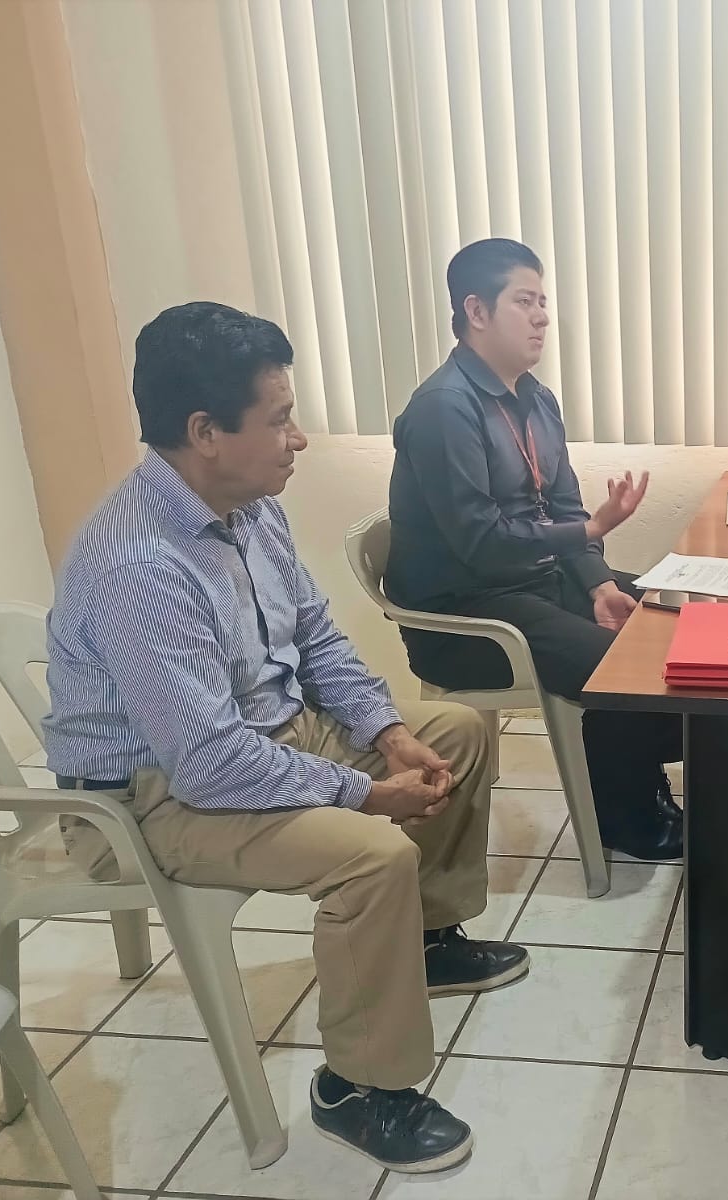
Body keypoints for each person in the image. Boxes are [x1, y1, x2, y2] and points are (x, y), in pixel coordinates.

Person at [43, 302, 523, 1173]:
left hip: (257, 733)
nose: (297, 438)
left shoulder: (248, 505)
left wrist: (385, 730)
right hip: (149, 798)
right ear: (205, 432)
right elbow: (208, 763)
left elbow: (318, 639)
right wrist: (366, 793)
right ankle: (358, 1088)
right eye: (280, 418)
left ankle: (424, 942)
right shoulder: (138, 563)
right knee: (371, 855)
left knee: (452, 730)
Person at [385, 238, 683, 861]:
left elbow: (565, 507)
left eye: (543, 301)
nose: (542, 316)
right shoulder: (444, 410)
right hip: (467, 612)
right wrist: (588, 534)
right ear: (477, 311)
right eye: (525, 301)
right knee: (627, 669)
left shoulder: (536, 398)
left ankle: (632, 782)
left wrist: (598, 582)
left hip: (536, 581)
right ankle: (627, 817)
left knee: (679, 622)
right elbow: (482, 543)